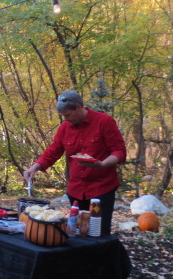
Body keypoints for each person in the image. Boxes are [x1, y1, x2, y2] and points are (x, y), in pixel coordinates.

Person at [23, 90, 127, 235]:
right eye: (63, 116)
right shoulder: (65, 128)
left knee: (98, 234)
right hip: (76, 190)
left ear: (79, 107)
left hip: (101, 190)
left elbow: (119, 151)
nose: (66, 119)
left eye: (68, 115)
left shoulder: (104, 121)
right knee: (77, 232)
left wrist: (102, 164)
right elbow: (53, 151)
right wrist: (35, 167)